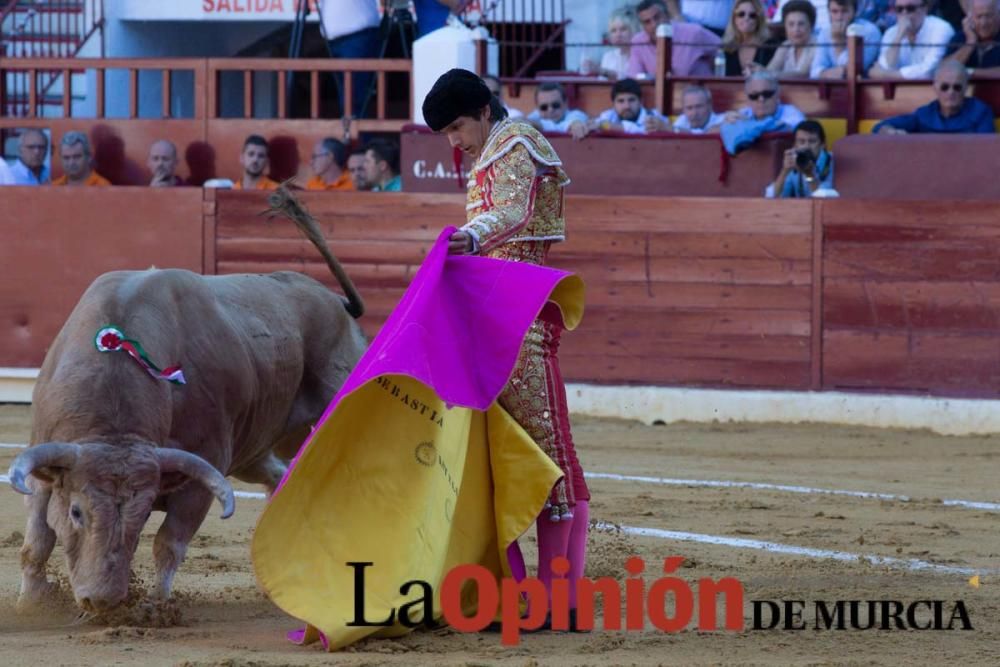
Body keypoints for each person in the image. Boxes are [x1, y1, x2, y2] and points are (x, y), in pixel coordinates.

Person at [422, 68, 590, 631]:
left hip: (521, 315)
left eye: (457, 127)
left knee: (546, 452)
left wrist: (467, 239)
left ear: (485, 110)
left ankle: (559, 598)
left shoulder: (517, 142)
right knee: (500, 452)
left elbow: (513, 212)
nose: (455, 141)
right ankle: (520, 591)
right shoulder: (492, 151)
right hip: (494, 314)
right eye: (445, 133)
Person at [873, 59, 996, 133]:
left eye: (957, 87)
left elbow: (985, 149)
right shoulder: (924, 115)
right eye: (945, 87)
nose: (951, 92)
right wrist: (889, 131)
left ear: (965, 88)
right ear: (935, 88)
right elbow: (878, 128)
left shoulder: (980, 112)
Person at [627, 0, 723, 78]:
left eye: (657, 17)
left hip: (699, 94)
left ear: (668, 15)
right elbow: (635, 77)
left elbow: (723, 50)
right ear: (642, 26)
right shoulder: (638, 42)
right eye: (647, 22)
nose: (654, 24)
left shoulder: (693, 32)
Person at [321, 0, 380, 117]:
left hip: (357, 34)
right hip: (335, 39)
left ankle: (355, 135)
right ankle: (350, 133)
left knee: (352, 99)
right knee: (346, 97)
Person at [868, 0, 954, 79]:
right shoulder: (891, 33)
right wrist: (899, 36)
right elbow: (885, 66)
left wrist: (886, 75)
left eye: (910, 9)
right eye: (899, 9)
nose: (904, 13)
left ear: (924, 9)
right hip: (899, 91)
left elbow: (929, 71)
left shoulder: (941, 28)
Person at [810, 0, 882, 78]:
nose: (839, 17)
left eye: (844, 11)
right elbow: (815, 71)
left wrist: (838, 43)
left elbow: (853, 72)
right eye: (834, 12)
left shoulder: (870, 32)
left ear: (855, 12)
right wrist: (827, 73)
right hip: (831, 88)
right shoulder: (824, 33)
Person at [581, 78, 671, 136]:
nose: (627, 106)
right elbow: (596, 124)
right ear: (613, 104)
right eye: (621, 101)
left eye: (631, 100)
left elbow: (638, 131)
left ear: (641, 102)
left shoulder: (653, 116)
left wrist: (604, 125)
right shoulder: (608, 115)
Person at [766, 120, 834, 197]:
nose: (806, 146)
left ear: (823, 144)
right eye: (802, 142)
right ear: (795, 145)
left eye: (812, 141)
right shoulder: (795, 160)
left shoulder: (833, 162)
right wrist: (784, 171)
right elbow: (772, 197)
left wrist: (809, 175)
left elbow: (824, 201)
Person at [726, 70, 807, 126]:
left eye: (767, 94)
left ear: (777, 95)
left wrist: (747, 124)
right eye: (754, 96)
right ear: (748, 100)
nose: (761, 99)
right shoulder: (744, 113)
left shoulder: (792, 114)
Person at [721, 0, 779, 76]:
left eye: (752, 15)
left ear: (759, 20)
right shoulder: (728, 47)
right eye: (741, 14)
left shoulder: (770, 46)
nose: (746, 18)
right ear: (734, 18)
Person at [582, 7, 639, 79]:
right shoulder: (608, 56)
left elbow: (630, 79)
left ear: (633, 30)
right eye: (613, 31)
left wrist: (602, 71)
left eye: (623, 29)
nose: (618, 35)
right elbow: (601, 83)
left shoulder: (639, 55)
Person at [767, 0, 819, 77]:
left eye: (801, 24)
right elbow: (771, 69)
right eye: (791, 24)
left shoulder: (817, 46)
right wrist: (757, 71)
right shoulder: (785, 45)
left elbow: (803, 75)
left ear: (811, 25)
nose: (796, 29)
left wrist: (764, 73)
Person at [945, 0, 1000, 72]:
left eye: (989, 16)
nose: (983, 23)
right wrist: (970, 43)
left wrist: (970, 73)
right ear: (969, 18)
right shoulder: (960, 37)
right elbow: (944, 70)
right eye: (978, 17)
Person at [525, 83, 590, 137]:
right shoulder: (534, 116)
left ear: (566, 103)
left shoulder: (576, 114)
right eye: (544, 107)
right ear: (537, 108)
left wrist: (576, 124)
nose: (550, 110)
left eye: (555, 105)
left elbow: (576, 119)